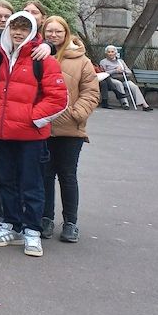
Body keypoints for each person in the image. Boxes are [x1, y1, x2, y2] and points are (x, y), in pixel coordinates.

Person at [0, 12, 68, 258]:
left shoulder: (43, 59)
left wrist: (32, 118)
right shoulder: (1, 55)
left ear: (31, 31)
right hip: (2, 133)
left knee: (31, 184)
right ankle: (10, 225)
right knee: (6, 181)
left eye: (23, 28)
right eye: (14, 28)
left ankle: (32, 229)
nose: (18, 33)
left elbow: (58, 99)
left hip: (30, 136)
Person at [41, 16, 100, 243]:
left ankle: (70, 222)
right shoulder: (41, 55)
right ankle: (46, 218)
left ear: (66, 33)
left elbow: (91, 92)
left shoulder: (82, 61)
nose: (53, 35)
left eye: (58, 32)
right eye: (49, 31)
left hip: (70, 128)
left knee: (67, 176)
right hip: (43, 126)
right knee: (45, 176)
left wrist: (78, 113)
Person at [99, 46, 152, 111]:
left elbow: (129, 71)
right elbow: (103, 73)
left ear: (115, 53)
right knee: (119, 84)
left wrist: (123, 70)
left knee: (134, 86)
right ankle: (125, 103)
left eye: (112, 52)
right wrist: (115, 70)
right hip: (111, 78)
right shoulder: (103, 62)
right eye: (109, 52)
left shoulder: (120, 61)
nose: (110, 53)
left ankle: (144, 105)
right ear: (106, 53)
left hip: (123, 78)